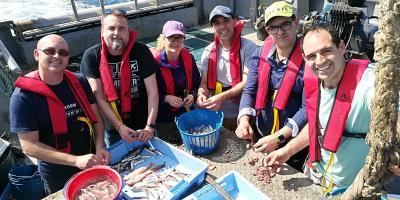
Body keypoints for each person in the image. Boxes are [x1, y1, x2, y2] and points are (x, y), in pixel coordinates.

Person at [264, 23, 400, 195]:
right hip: (317, 177)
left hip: (351, 189)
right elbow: (318, 125)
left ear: (342, 47)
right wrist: (285, 151)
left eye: (326, 51)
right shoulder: (318, 82)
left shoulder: (367, 84)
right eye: (312, 56)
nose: (320, 61)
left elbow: (387, 103)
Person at [10, 34, 109, 195]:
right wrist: (75, 160)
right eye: (50, 51)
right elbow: (29, 147)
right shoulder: (23, 97)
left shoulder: (79, 81)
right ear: (36, 54)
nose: (57, 56)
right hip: (57, 171)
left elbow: (96, 118)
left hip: (91, 159)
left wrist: (99, 146)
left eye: (63, 53)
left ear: (68, 58)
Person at [235, 1, 308, 171]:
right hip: (261, 135)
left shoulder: (309, 59)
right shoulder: (259, 54)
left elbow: (307, 108)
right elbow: (250, 90)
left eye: (285, 25)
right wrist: (244, 120)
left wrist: (278, 138)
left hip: (291, 143)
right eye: (273, 27)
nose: (280, 32)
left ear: (296, 23)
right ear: (267, 30)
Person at [80, 9, 159, 147]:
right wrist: (119, 126)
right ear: (102, 32)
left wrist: (150, 125)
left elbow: (153, 92)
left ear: (128, 32)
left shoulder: (141, 51)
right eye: (111, 28)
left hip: (144, 123)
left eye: (121, 28)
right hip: (113, 128)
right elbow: (99, 97)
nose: (116, 33)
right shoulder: (91, 56)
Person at [196, 5, 258, 130]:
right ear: (213, 27)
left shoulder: (250, 48)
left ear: (235, 21)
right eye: (217, 23)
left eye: (226, 21)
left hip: (241, 113)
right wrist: (201, 94)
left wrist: (222, 97)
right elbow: (203, 82)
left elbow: (247, 82)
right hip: (216, 112)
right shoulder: (208, 51)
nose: (222, 27)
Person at [152, 20, 200, 143]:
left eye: (179, 38)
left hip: (186, 111)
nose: (176, 42)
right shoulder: (153, 64)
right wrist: (166, 98)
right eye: (172, 38)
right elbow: (147, 93)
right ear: (163, 39)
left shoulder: (189, 58)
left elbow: (197, 83)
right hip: (164, 116)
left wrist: (192, 96)